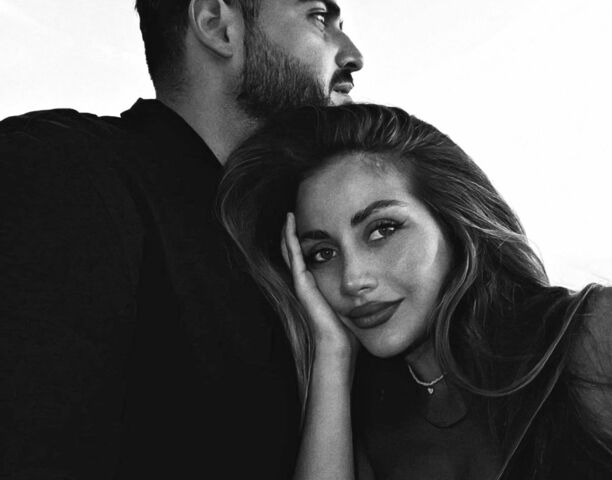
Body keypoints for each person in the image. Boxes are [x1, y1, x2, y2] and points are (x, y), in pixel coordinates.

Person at [0, 1, 363, 478]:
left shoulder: (306, 244)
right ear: (216, 24)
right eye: (318, 17)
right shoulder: (60, 170)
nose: (353, 55)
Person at [218, 103, 612, 479]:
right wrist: (332, 354)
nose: (352, 279)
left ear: (452, 222)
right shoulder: (365, 426)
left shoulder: (606, 333)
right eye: (323, 253)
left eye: (382, 230)